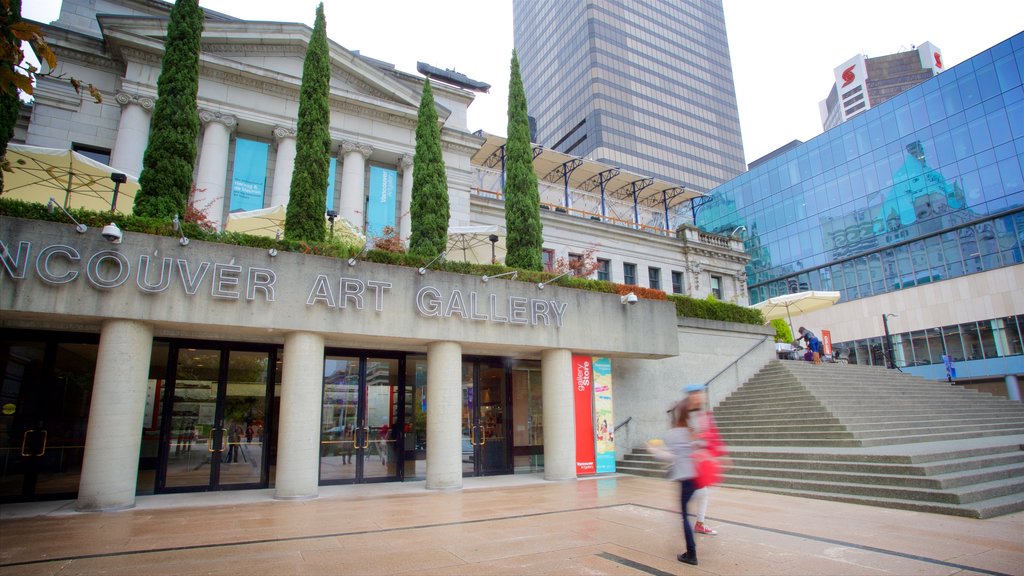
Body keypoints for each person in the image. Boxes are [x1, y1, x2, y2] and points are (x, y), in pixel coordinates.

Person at [647, 403, 699, 565]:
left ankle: (691, 553)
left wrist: (653, 450)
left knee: (684, 517)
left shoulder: (672, 434)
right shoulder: (690, 432)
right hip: (696, 477)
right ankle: (692, 548)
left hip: (685, 479)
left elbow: (668, 457)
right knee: (688, 511)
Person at [684, 383, 727, 536]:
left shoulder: (703, 415)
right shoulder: (686, 416)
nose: (699, 396)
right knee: (699, 492)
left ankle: (699, 523)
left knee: (702, 492)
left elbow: (712, 435)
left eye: (700, 393)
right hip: (690, 462)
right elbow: (687, 438)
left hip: (700, 463)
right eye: (694, 394)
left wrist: (720, 454)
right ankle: (692, 519)